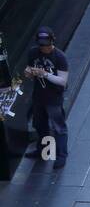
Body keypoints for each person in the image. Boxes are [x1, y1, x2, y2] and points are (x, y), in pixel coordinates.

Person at [24, 26, 69, 169]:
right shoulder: (33, 53)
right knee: (39, 124)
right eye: (42, 46)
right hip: (38, 96)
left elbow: (63, 81)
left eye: (47, 45)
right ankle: (44, 151)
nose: (44, 48)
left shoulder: (60, 57)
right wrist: (29, 72)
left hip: (53, 98)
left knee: (58, 127)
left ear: (52, 42)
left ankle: (61, 156)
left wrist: (45, 74)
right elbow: (29, 73)